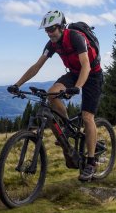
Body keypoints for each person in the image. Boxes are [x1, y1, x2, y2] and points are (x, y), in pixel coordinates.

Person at [7, 10, 103, 182]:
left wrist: (77, 87)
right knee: (52, 93)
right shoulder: (51, 44)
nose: (49, 33)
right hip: (74, 73)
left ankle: (90, 162)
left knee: (87, 117)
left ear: (61, 26)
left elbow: (86, 65)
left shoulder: (75, 37)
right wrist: (17, 84)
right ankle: (67, 128)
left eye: (52, 29)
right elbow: (37, 66)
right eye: (46, 30)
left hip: (92, 75)